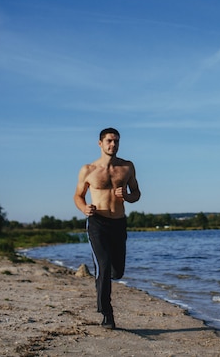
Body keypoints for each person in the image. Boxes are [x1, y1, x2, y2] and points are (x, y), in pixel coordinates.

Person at [74, 127, 141, 329]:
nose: (113, 145)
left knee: (117, 271)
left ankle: (102, 278)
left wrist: (127, 197)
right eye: (110, 141)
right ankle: (107, 313)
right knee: (103, 266)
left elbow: (136, 193)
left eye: (117, 141)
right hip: (97, 222)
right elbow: (78, 195)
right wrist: (84, 208)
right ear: (100, 143)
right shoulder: (88, 170)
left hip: (119, 223)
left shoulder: (127, 167)